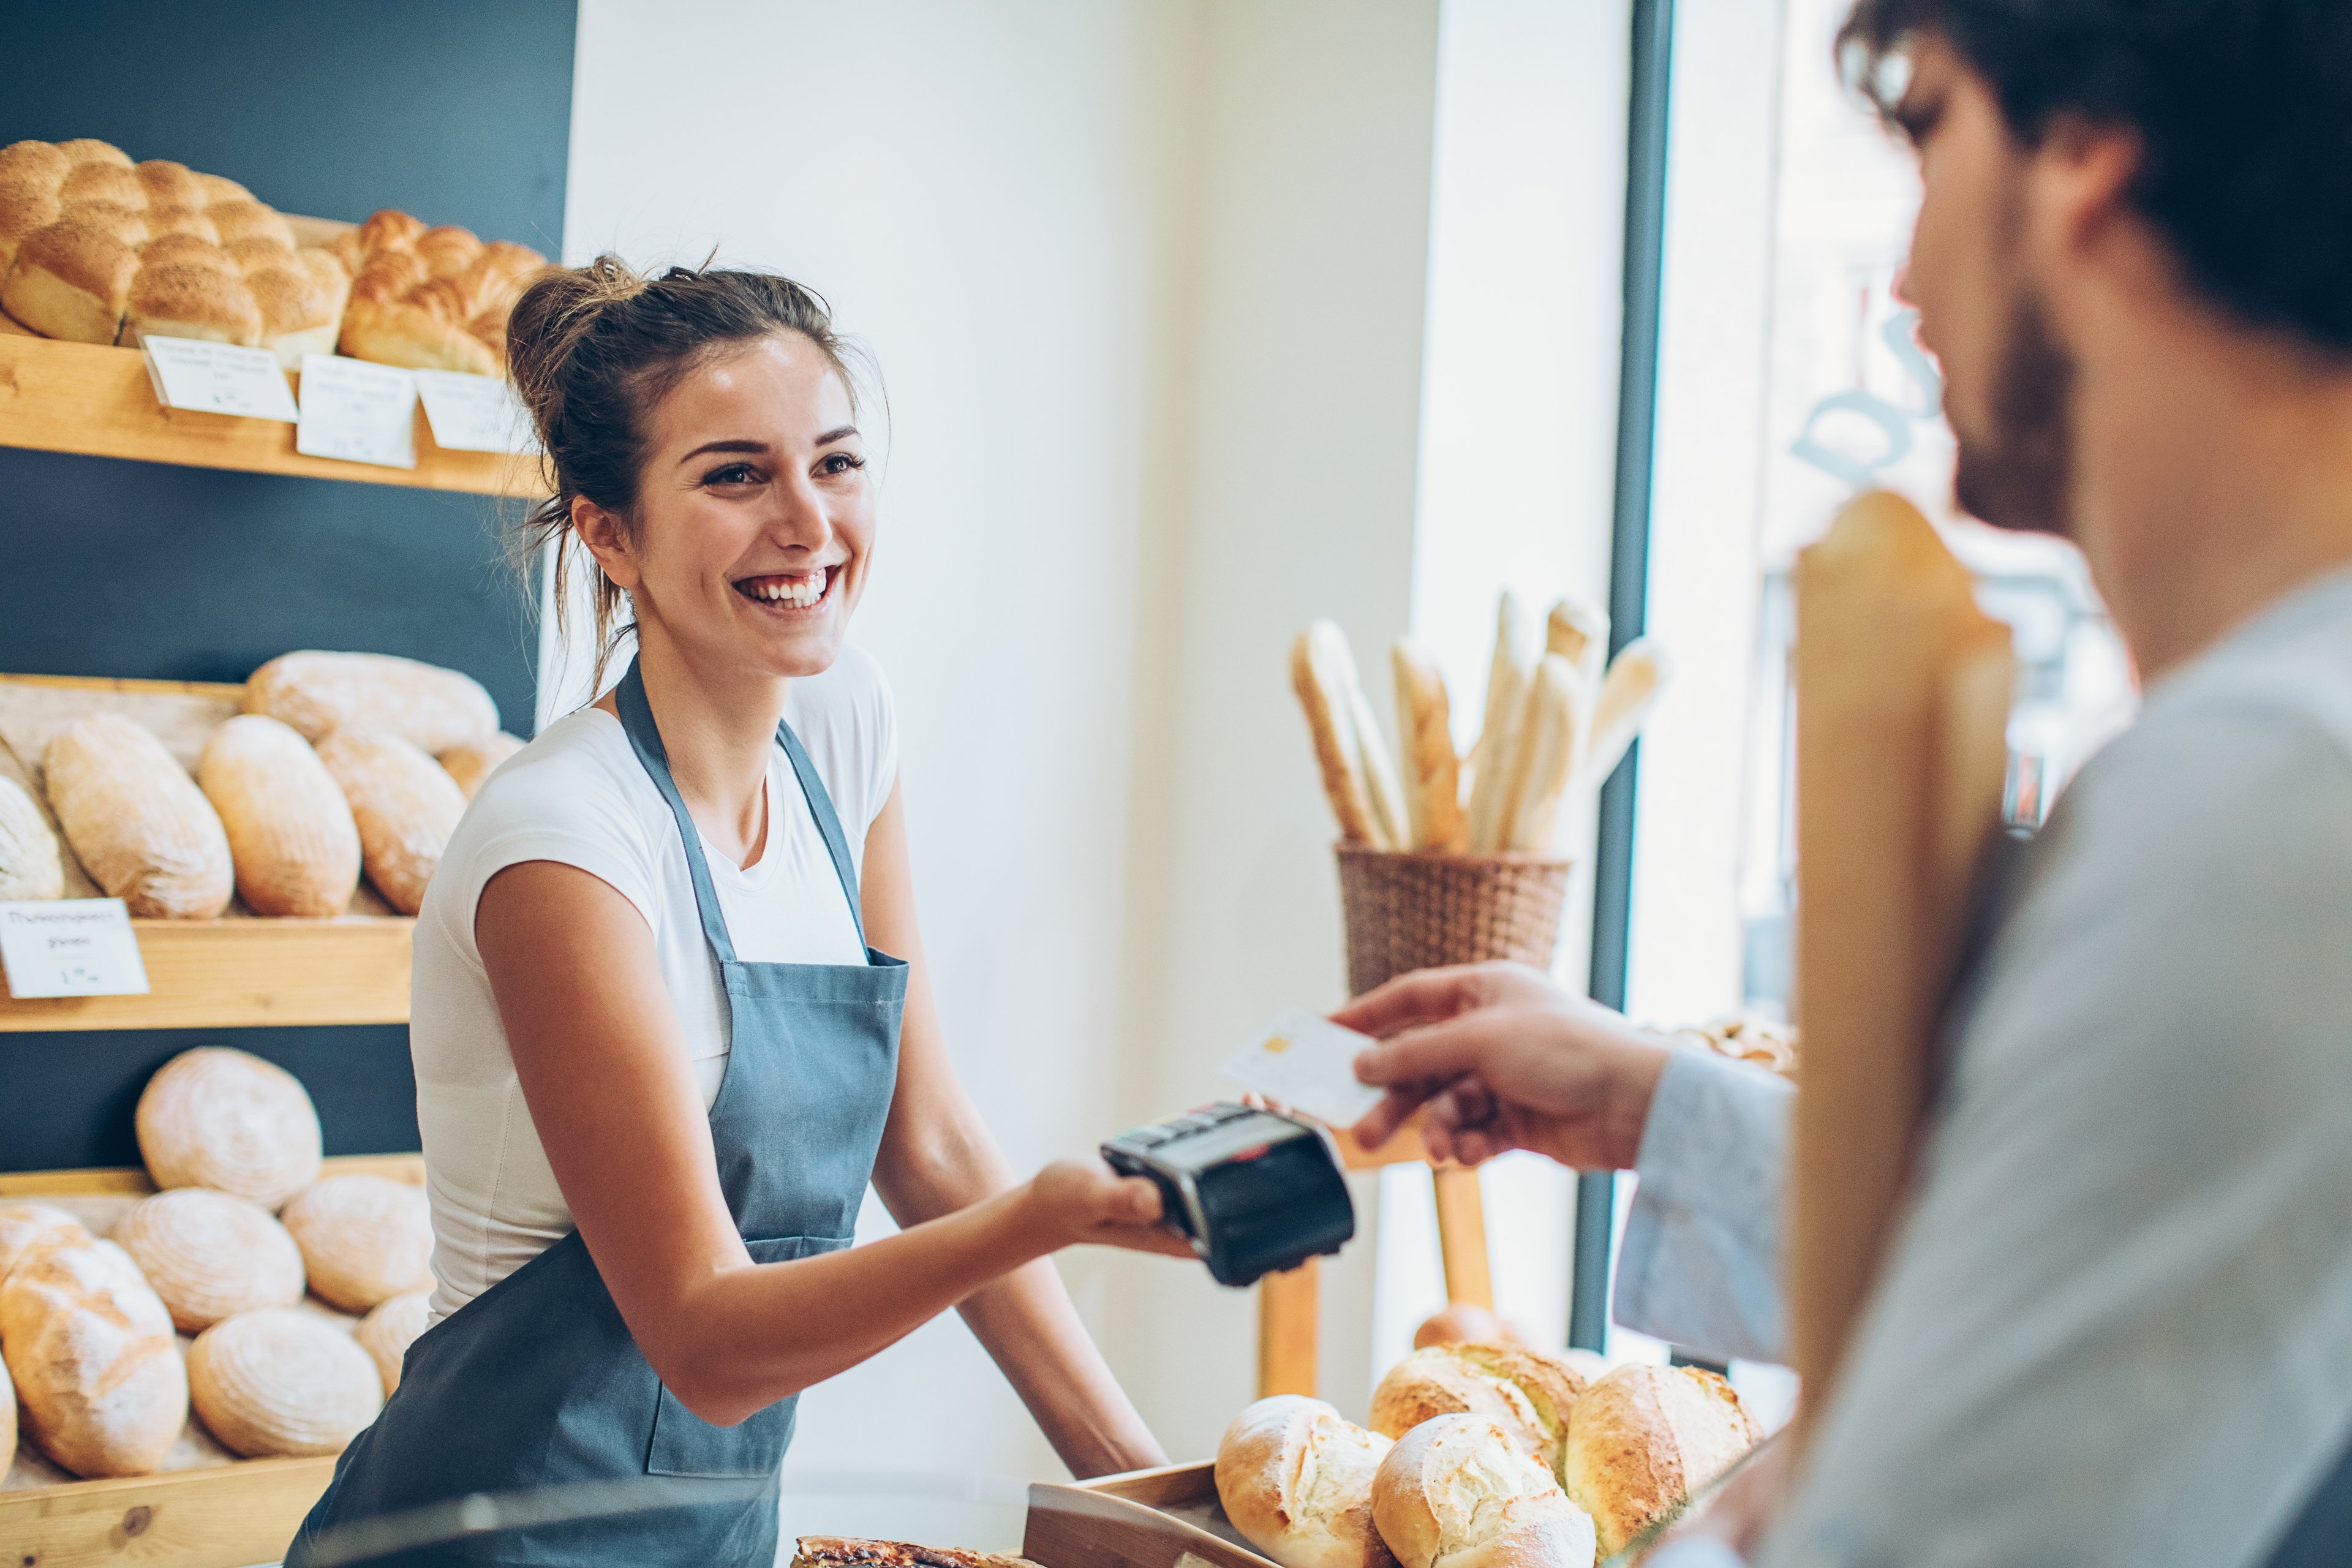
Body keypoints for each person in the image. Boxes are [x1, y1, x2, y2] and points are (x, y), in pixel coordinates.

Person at [1348, 1, 2352, 1563]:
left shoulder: (2269, 804)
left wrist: (1778, 1493)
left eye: (1927, 122)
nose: (1901, 279)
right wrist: (1660, 1106)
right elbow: (2096, 1243)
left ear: (2084, 155)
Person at [288, 261, 1189, 1567]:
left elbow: (924, 1139)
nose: (808, 521)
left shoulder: (841, 723)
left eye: (835, 462)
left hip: (712, 1531)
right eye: (734, 475)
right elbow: (707, 1339)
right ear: (608, 534)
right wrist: (1050, 1210)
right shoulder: (564, 843)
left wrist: (1156, 1497)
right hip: (488, 1533)